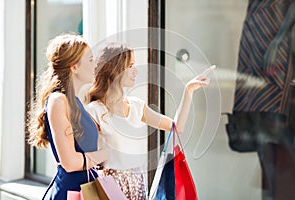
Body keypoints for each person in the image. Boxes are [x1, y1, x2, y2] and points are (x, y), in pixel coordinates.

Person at [85, 42, 215, 199]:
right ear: (115, 70)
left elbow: (176, 127)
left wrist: (188, 91)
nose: (136, 71)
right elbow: (86, 157)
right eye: (130, 66)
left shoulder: (136, 106)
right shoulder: (95, 110)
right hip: (109, 185)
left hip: (138, 184)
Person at [27, 33, 109, 199]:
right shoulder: (58, 101)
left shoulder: (76, 102)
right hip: (71, 192)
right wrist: (105, 154)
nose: (96, 65)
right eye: (91, 60)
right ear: (74, 67)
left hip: (87, 189)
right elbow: (70, 163)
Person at [232, 0, 295, 199]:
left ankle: (279, 192)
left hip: (276, 45)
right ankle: (268, 193)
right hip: (253, 40)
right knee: (258, 127)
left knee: (276, 122)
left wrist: (278, 40)